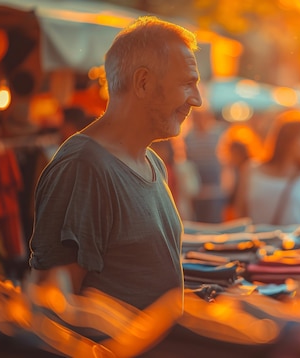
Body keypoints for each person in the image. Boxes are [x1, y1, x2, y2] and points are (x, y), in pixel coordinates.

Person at [28, 16, 202, 311]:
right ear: (143, 82)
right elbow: (54, 310)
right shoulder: (83, 167)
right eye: (187, 84)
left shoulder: (153, 162)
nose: (196, 100)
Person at [233, 109, 300, 226]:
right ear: (288, 140)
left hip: (296, 244)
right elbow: (240, 217)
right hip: (256, 242)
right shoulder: (251, 170)